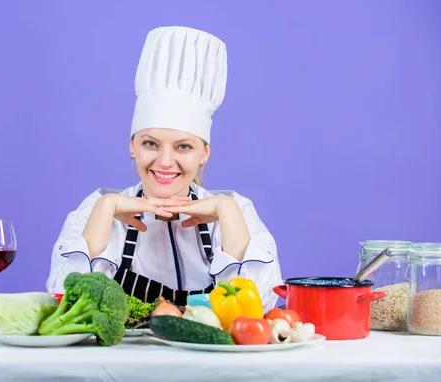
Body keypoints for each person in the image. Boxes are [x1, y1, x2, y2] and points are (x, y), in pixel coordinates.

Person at [46, 26, 283, 311]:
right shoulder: (96, 208)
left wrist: (226, 212)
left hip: (208, 356)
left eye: (183, 146)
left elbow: (260, 306)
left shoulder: (236, 210)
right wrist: (106, 210)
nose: (166, 161)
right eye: (150, 143)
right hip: (121, 356)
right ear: (132, 146)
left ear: (204, 153)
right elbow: (67, 301)